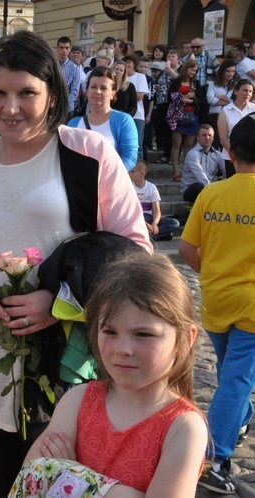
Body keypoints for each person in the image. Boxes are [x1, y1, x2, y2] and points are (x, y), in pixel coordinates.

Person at [0, 31, 151, 496]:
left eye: (26, 92)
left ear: (52, 93)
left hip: (75, 366)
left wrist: (58, 301)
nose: (11, 108)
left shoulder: (89, 155)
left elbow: (135, 249)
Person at [11, 252, 207, 497]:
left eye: (143, 334)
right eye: (110, 331)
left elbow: (50, 478)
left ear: (185, 339)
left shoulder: (183, 427)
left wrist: (71, 478)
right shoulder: (78, 400)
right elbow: (34, 476)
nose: (123, 349)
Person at [179, 112, 255, 495]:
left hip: (215, 298)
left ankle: (241, 418)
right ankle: (216, 455)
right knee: (237, 379)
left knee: (231, 374)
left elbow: (186, 248)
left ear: (228, 151)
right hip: (253, 307)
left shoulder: (211, 193)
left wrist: (211, 271)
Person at [67, 66, 138, 171]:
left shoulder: (124, 120)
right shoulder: (73, 124)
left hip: (110, 183)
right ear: (87, 91)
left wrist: (107, 176)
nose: (98, 91)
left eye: (103, 88)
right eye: (93, 87)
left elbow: (130, 157)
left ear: (113, 93)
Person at [129, 161, 180, 241]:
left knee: (174, 223)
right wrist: (144, 223)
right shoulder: (129, 187)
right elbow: (129, 211)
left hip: (149, 218)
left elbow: (156, 211)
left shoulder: (152, 187)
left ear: (142, 173)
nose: (129, 173)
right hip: (136, 218)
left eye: (132, 171)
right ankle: (157, 235)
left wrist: (155, 224)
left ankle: (149, 235)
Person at [168, 58, 200, 180]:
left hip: (192, 115)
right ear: (186, 68)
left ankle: (187, 170)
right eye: (192, 70)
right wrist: (182, 97)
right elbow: (169, 96)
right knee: (176, 144)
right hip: (177, 115)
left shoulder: (195, 84)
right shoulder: (176, 81)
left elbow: (201, 100)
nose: (193, 73)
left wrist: (193, 98)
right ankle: (175, 171)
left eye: (195, 71)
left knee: (189, 145)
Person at [218, 79, 255, 177]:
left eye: (250, 91)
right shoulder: (226, 111)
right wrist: (234, 154)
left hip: (252, 157)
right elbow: (223, 138)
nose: (248, 93)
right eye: (245, 90)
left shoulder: (254, 109)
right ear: (236, 91)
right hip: (231, 157)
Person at [181, 124, 225, 204]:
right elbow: (200, 176)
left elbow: (226, 171)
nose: (207, 138)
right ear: (197, 138)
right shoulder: (192, 154)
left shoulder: (218, 155)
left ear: (213, 137)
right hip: (192, 190)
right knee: (199, 186)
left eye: (210, 135)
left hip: (209, 188)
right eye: (204, 135)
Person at [206, 59, 238, 150]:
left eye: (233, 71)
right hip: (214, 116)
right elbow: (210, 99)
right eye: (228, 71)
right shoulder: (213, 84)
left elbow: (232, 99)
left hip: (228, 116)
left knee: (226, 142)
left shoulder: (235, 85)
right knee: (214, 142)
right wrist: (227, 100)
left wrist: (219, 96)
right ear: (222, 71)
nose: (230, 74)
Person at [123, 53, 149, 158]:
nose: (127, 65)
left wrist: (124, 97)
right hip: (123, 114)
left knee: (138, 145)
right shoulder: (120, 77)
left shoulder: (140, 77)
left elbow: (140, 96)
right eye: (125, 62)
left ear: (134, 64)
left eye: (129, 62)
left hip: (137, 115)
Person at [56, 36, 82, 118]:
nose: (64, 50)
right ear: (57, 48)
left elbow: (75, 92)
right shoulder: (51, 66)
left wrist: (62, 102)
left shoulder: (75, 69)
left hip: (67, 110)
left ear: (70, 49)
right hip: (51, 107)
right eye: (61, 47)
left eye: (66, 48)